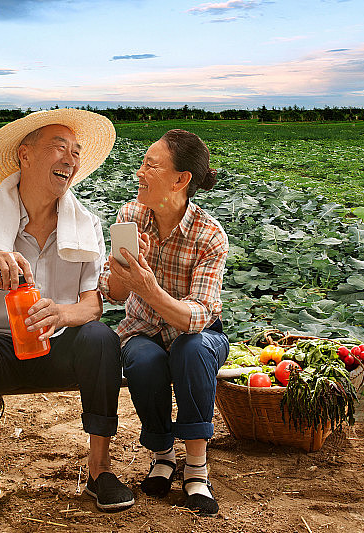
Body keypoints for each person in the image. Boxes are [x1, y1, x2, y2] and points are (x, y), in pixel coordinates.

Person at [0, 108, 134, 526]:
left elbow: (93, 303)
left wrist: (61, 313)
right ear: (25, 155)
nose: (71, 158)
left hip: (59, 347)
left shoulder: (85, 224)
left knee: (100, 337)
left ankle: (100, 471)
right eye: (60, 147)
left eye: (76, 152)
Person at [98, 129, 229, 516]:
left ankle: (197, 469)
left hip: (200, 335)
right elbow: (115, 294)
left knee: (190, 351)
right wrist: (124, 272)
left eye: (149, 165)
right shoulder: (130, 216)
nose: (139, 172)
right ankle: (163, 455)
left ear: (180, 179)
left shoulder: (210, 236)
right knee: (143, 359)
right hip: (143, 329)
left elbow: (199, 315)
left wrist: (151, 288)